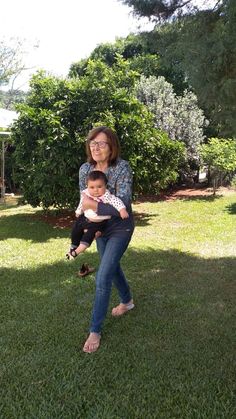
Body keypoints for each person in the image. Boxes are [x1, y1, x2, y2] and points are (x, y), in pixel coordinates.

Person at [80, 126, 135, 353]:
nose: (96, 147)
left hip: (121, 227)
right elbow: (84, 202)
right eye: (93, 143)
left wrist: (94, 205)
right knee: (111, 268)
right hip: (99, 227)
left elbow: (123, 202)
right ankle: (127, 301)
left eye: (102, 143)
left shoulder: (122, 167)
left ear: (111, 146)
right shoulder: (85, 169)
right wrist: (93, 223)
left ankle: (95, 330)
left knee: (102, 275)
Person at [66, 170, 129, 259]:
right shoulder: (86, 194)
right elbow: (82, 202)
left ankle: (76, 252)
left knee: (88, 236)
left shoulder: (107, 196)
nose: (96, 190)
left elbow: (117, 202)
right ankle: (74, 246)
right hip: (84, 218)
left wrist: (122, 210)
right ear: (87, 186)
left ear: (105, 186)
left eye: (99, 186)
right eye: (92, 187)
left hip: (97, 223)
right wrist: (78, 211)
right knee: (75, 230)